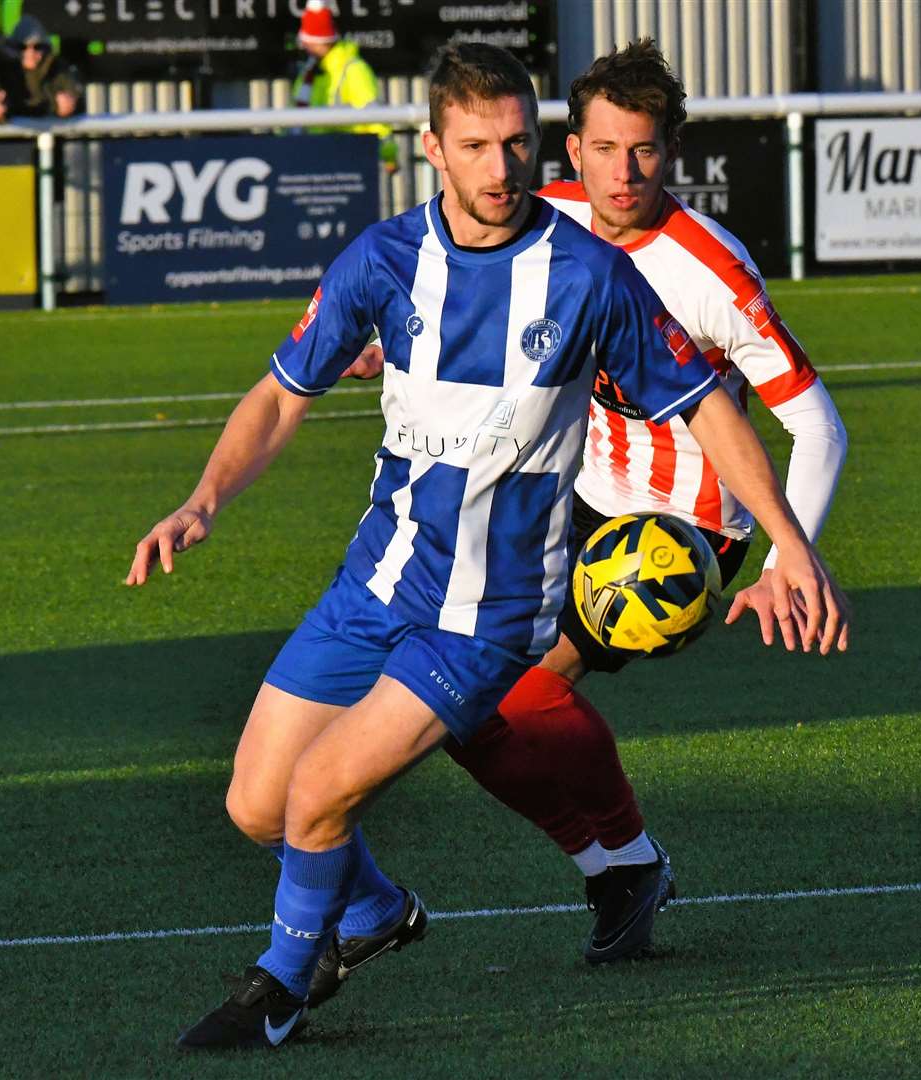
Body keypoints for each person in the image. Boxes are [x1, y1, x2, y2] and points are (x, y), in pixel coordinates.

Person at [127, 42, 847, 1052]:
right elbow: (281, 398)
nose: (502, 168)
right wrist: (203, 499)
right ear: (434, 150)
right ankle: (375, 914)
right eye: (477, 146)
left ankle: (280, 989)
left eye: (515, 142)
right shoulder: (382, 261)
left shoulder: (590, 275)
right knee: (257, 805)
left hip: (491, 607)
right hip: (375, 579)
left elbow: (711, 411)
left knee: (322, 790)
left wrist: (788, 547)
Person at [347, 37, 849, 968]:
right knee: (455, 698)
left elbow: (818, 425)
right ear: (571, 150)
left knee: (505, 685)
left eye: (646, 151)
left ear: (672, 152)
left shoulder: (711, 269)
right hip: (570, 494)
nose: (626, 173)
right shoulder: (548, 219)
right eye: (606, 150)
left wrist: (789, 561)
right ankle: (618, 863)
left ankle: (623, 858)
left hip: (680, 529)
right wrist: (395, 345)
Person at [292, 0, 398, 173]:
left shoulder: (353, 69)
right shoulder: (309, 73)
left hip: (350, 162)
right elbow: (293, 118)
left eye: (307, 41)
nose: (304, 46)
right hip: (311, 162)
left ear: (318, 41)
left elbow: (375, 116)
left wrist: (389, 156)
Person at [0, 14, 81, 119]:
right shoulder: (1, 70)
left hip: (53, 133)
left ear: (45, 47)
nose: (30, 53)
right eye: (23, 47)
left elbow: (77, 97)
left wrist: (70, 105)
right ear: (13, 47)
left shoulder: (58, 68)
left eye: (37, 46)